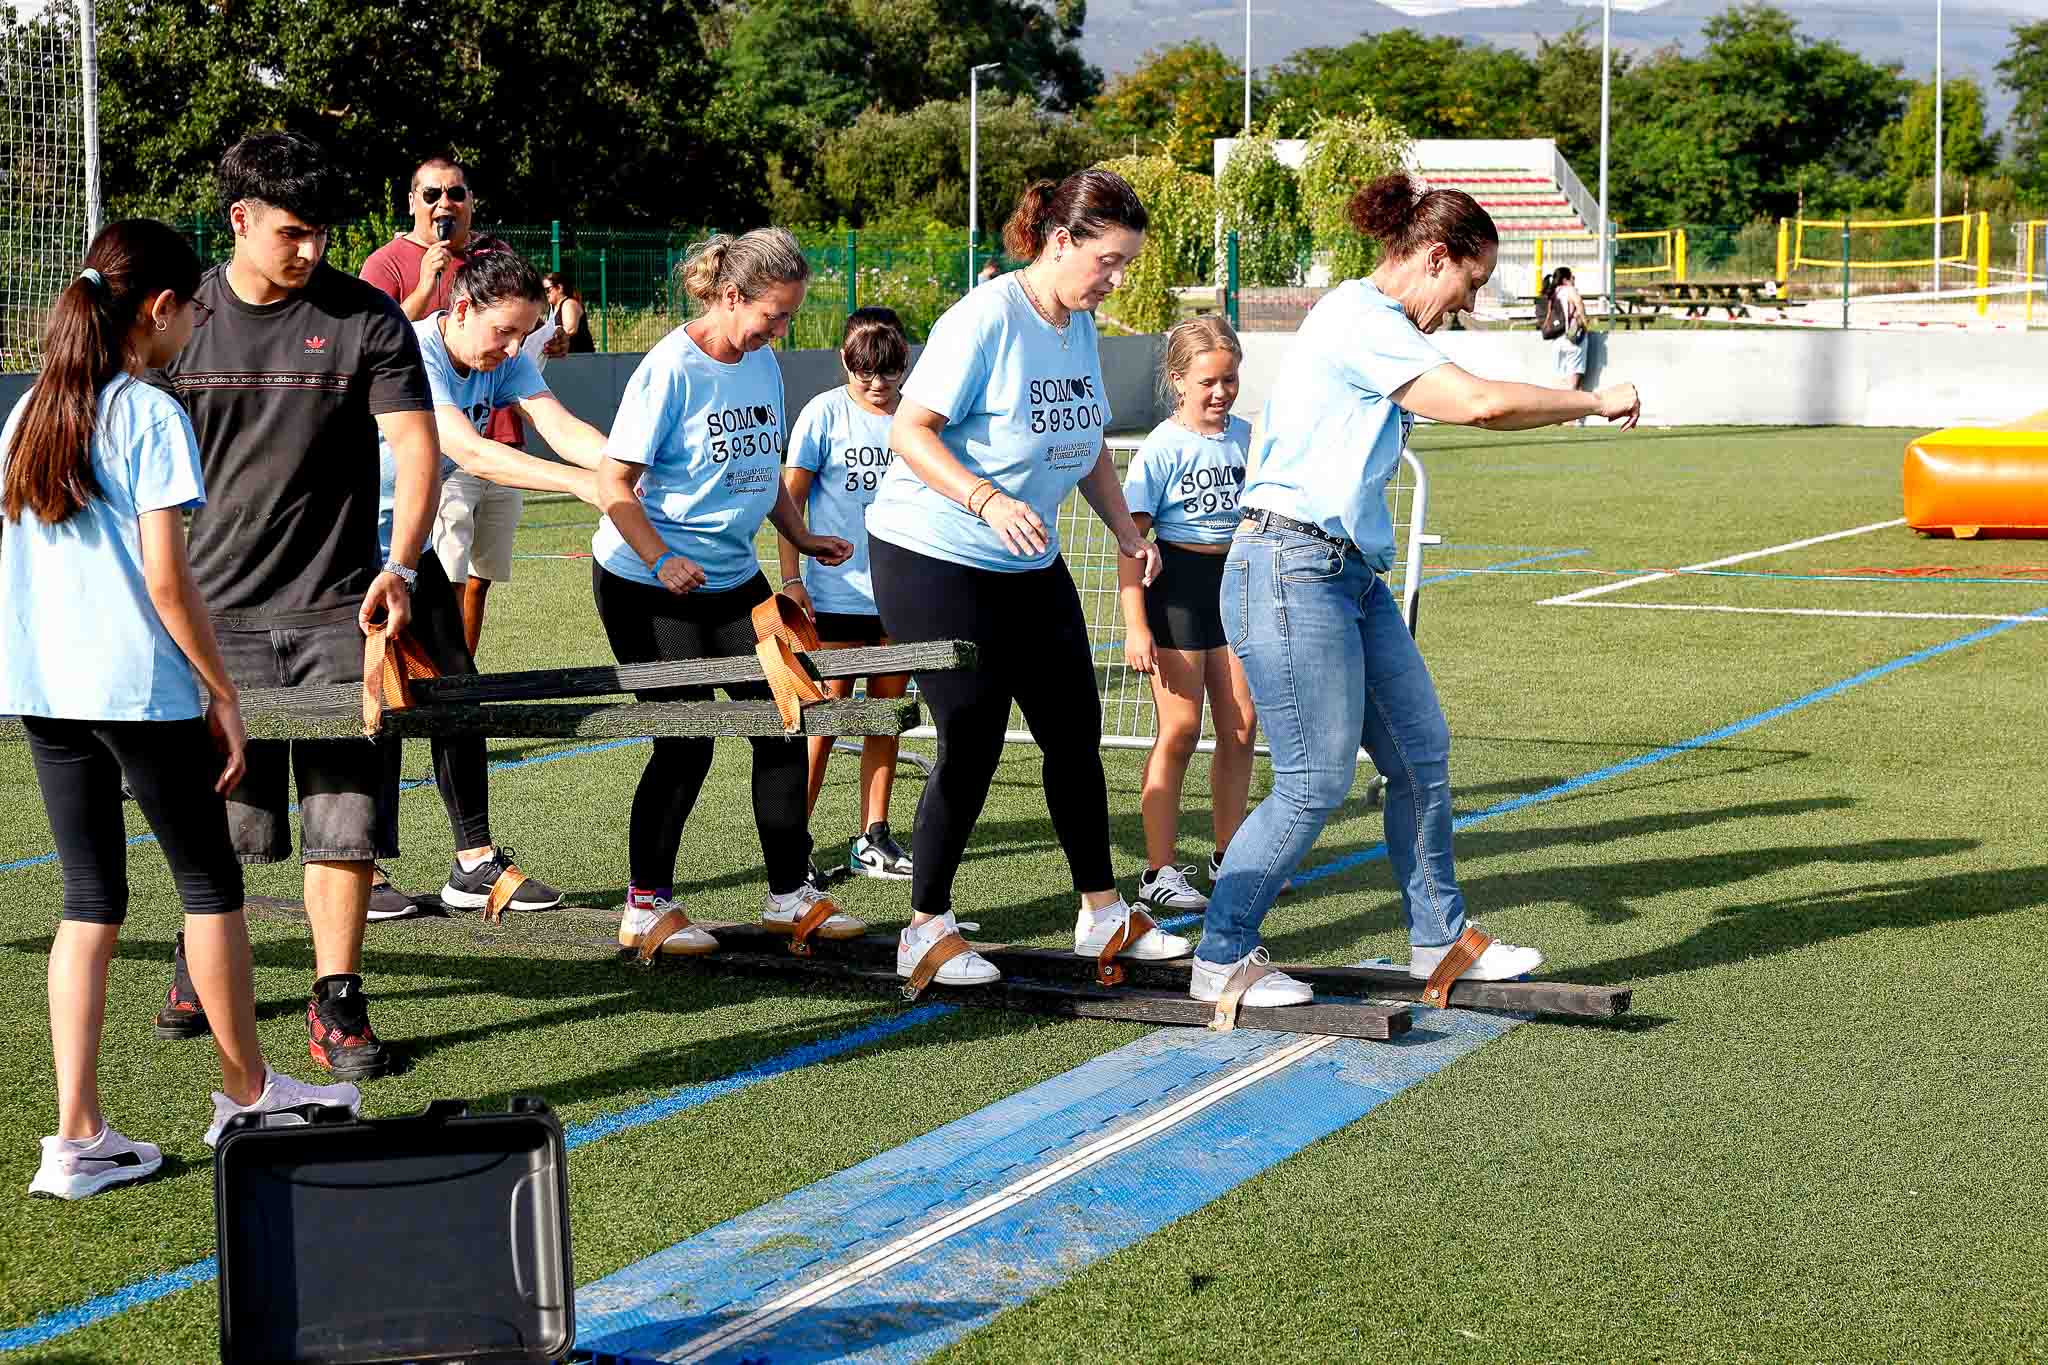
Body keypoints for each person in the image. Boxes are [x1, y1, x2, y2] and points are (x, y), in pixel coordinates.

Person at [1191, 173, 1641, 1010]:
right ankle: (1222, 954)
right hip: (1290, 568)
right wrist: (1593, 399)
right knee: (1313, 781)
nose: (1469, 304)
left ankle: (1438, 939)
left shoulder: (1383, 326)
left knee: (1420, 755)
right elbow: (1478, 404)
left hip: (1347, 576)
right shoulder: (1361, 320)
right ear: (1436, 256)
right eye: (1471, 282)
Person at [5, 220, 363, 1197]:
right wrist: (220, 689)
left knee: (89, 902)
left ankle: (75, 1136)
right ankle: (249, 1093)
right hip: (136, 688)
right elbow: (167, 579)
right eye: (192, 307)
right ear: (158, 310)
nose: (199, 321)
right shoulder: (149, 413)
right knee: (211, 887)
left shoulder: (30, 409)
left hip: (44, 692)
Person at [152, 131, 440, 1082]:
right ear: (240, 219)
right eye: (292, 233)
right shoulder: (180, 319)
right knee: (225, 822)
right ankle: (201, 953)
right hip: (208, 620)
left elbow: (416, 447)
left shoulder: (369, 318)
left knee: (344, 818)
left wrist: (400, 566)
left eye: (322, 233)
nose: (312, 251)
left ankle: (336, 998)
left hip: (337, 614)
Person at [866, 169, 1188, 989]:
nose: (1117, 280)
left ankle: (1103, 912)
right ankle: (925, 928)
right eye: (1109, 261)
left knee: (1074, 729)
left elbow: (1087, 439)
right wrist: (985, 497)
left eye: (1126, 264)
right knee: (971, 736)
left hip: (1026, 556)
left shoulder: (1076, 322)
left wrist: (1126, 530)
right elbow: (909, 430)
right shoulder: (984, 318)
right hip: (932, 552)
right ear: (1060, 242)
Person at [592, 228, 864, 959]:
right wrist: (660, 559)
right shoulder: (669, 369)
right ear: (733, 295)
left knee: (782, 720)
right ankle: (645, 907)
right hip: (646, 584)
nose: (781, 331)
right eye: (774, 315)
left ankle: (789, 895)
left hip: (733, 576)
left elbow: (762, 467)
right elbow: (613, 482)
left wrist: (802, 536)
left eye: (789, 317)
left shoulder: (761, 361)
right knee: (686, 740)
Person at [371, 241, 612, 920]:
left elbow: (561, 426)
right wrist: (581, 485)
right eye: (503, 331)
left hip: (408, 548)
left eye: (522, 335)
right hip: (346, 549)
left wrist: (622, 469)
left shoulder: (504, 358)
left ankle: (473, 862)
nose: (511, 350)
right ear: (461, 309)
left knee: (458, 685)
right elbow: (471, 451)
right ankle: (359, 864)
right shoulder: (412, 352)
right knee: (377, 698)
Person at [1117, 317, 1257, 917]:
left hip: (1237, 587)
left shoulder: (1249, 436)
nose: (1221, 392)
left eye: (1230, 380)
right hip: (1177, 589)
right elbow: (1131, 543)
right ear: (1178, 380)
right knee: (1180, 729)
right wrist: (1136, 625)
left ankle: (1231, 857)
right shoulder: (1162, 446)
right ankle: (1159, 871)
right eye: (1207, 382)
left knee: (1242, 726)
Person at [361, 157, 527, 661]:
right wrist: (422, 286)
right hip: (367, 531)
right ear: (413, 201)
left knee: (455, 656)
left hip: (474, 459)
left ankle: (459, 675)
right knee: (377, 673)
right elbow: (373, 343)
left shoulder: (492, 260)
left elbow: (554, 418)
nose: (444, 204)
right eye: (432, 194)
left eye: (456, 193)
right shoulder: (389, 266)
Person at [778, 307, 916, 887]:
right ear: (845, 361)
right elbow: (790, 503)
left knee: (885, 716)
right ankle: (793, 844)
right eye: (865, 371)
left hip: (903, 595)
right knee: (823, 719)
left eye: (890, 370)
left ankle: (873, 836)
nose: (878, 383)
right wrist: (793, 579)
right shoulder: (824, 414)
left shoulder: (920, 415)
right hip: (835, 596)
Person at [1551, 265, 1589, 394]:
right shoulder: (1570, 290)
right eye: (1572, 277)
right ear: (1565, 280)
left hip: (1556, 339)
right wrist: (1585, 322)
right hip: (1572, 337)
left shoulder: (1552, 293)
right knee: (1573, 384)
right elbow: (1579, 303)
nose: (1574, 280)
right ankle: (1571, 405)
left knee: (1561, 381)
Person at [541, 271, 596, 356]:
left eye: (548, 290)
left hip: (580, 357)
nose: (545, 294)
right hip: (567, 358)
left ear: (559, 288)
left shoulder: (568, 303)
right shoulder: (553, 309)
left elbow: (570, 330)